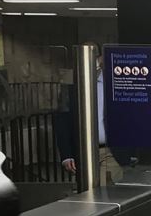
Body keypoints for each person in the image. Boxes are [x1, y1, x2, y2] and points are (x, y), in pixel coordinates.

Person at [56, 41, 134, 186]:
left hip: (109, 151)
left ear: (100, 58)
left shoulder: (115, 82)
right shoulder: (71, 85)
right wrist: (66, 155)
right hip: (81, 152)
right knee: (86, 195)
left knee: (107, 195)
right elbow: (62, 120)